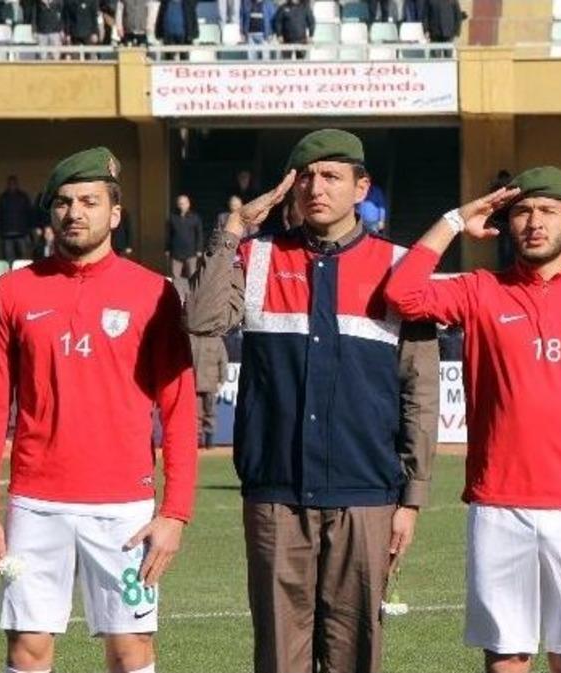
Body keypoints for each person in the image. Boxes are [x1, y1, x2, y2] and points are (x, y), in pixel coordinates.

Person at [184, 129, 439, 673]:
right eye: (305, 177)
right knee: (279, 658)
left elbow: (418, 391)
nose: (315, 188)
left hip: (366, 495)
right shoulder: (255, 255)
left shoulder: (400, 267)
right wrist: (234, 227)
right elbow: (201, 319)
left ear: (361, 187)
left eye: (331, 176)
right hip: (276, 494)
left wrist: (412, 498)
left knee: (354, 657)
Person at [385, 166, 561, 673]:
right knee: (506, 659)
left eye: (548, 210)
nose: (534, 222)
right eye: (522, 211)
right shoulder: (480, 290)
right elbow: (402, 293)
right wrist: (455, 220)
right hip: (497, 505)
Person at [0, 147, 197, 673]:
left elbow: (179, 408)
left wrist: (175, 512)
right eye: (64, 202)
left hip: (125, 511)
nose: (75, 213)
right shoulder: (11, 292)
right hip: (35, 505)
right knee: (27, 649)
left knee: (131, 650)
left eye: (90, 202)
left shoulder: (154, 294)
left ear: (115, 214)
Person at [190, 334, 228, 448]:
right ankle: (196, 440)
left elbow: (223, 361)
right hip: (194, 383)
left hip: (211, 383)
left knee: (210, 412)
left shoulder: (216, 339)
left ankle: (209, 440)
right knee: (195, 414)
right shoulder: (191, 337)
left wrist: (221, 380)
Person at [0, 175, 34, 264]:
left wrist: (29, 229)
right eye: (10, 183)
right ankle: (11, 273)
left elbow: (29, 214)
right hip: (6, 233)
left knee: (23, 259)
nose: (12, 185)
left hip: (22, 232)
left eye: (14, 183)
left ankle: (23, 273)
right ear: (7, 184)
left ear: (17, 184)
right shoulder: (2, 198)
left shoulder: (23, 197)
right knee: (9, 259)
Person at [164, 194, 202, 279]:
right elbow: (168, 235)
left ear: (188, 204)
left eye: (184, 203)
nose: (182, 206)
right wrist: (167, 249)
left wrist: (199, 249)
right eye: (180, 204)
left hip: (191, 252)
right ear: (177, 205)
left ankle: (192, 288)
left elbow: (199, 234)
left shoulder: (195, 218)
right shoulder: (172, 217)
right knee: (175, 276)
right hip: (176, 252)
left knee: (192, 275)